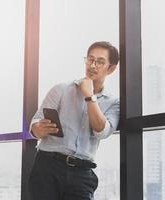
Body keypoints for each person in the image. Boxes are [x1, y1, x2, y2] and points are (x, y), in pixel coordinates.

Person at [29, 41, 120, 200]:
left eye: (100, 61)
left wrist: (89, 96)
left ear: (111, 68)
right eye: (90, 59)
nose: (93, 65)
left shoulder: (113, 102)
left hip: (82, 173)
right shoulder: (61, 89)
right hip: (48, 166)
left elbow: (102, 131)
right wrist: (38, 129)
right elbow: (35, 124)